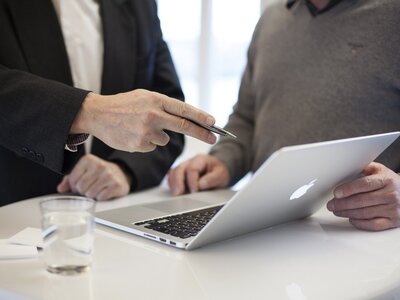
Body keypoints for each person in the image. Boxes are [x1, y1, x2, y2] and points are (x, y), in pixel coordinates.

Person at [168, 0, 400, 231]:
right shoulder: (271, 20)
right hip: (264, 227)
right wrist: (223, 162)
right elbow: (247, 119)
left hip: (362, 237)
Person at [0, 0, 217, 205]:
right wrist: (88, 112)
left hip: (109, 220)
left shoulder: (139, 4)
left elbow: (168, 113)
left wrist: (125, 169)